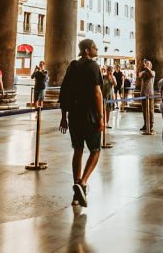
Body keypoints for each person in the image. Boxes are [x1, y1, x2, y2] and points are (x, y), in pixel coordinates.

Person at [59, 38, 105, 207]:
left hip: (74, 115)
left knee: (77, 150)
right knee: (95, 150)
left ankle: (76, 194)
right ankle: (83, 183)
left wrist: (64, 116)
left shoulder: (72, 66)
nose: (97, 49)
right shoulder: (93, 66)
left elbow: (64, 91)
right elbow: (97, 93)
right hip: (90, 115)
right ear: (87, 50)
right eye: (94, 47)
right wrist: (101, 117)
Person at [139, 59, 155, 134]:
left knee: (150, 110)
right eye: (146, 64)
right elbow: (139, 75)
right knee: (144, 110)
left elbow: (151, 74)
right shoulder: (143, 73)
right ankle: (145, 124)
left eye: (148, 64)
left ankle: (151, 125)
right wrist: (142, 67)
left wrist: (147, 68)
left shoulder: (153, 72)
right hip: (143, 94)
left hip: (150, 94)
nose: (146, 65)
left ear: (151, 66)